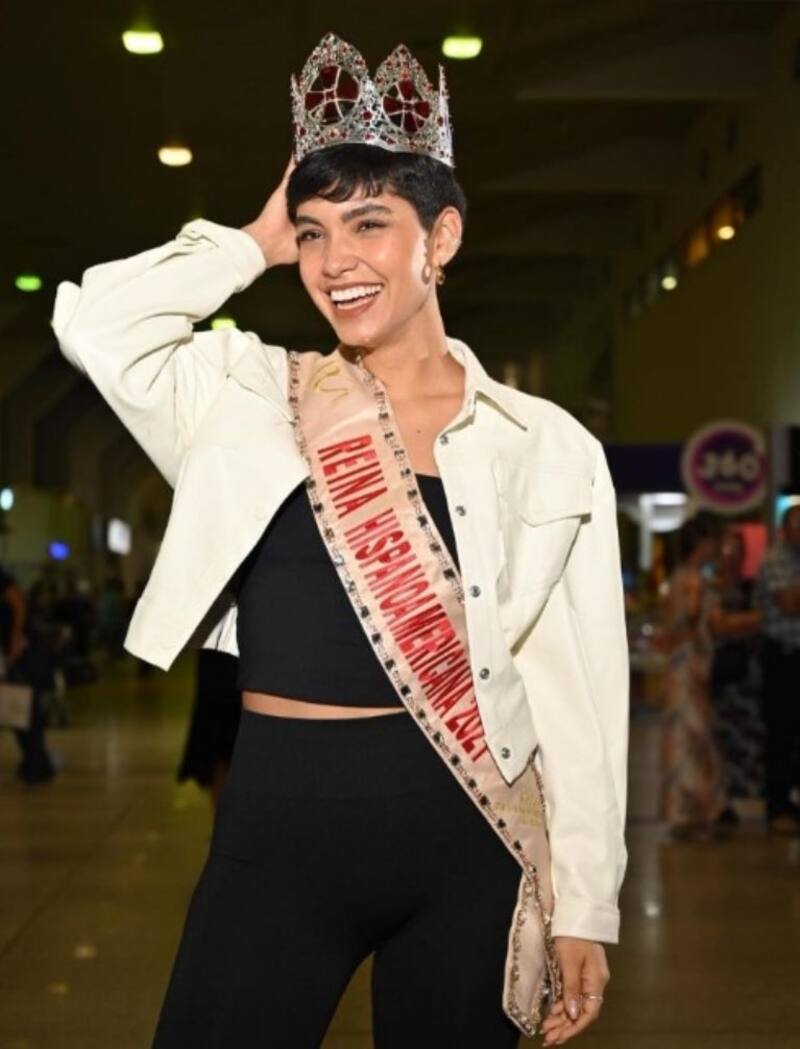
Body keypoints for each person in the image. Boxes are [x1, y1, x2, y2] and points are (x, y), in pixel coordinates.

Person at [51, 32, 629, 1047]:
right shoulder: (247, 395)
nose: (335, 261)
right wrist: (253, 239)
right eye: (314, 233)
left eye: (369, 224)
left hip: (469, 836)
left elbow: (580, 687)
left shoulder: (544, 444)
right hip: (278, 823)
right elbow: (95, 325)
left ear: (440, 238)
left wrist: (587, 900)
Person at [660, 515, 728, 841]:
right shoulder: (693, 579)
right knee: (693, 737)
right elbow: (690, 615)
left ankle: (688, 811)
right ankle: (693, 813)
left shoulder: (680, 576)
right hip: (688, 664)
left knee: (688, 736)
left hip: (683, 662)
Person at [706, 527, 764, 825]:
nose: (731, 557)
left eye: (737, 551)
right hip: (716, 674)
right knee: (717, 740)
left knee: (748, 739)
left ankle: (743, 796)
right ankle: (720, 802)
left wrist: (739, 623)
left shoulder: (750, 586)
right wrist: (750, 621)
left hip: (747, 676)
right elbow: (718, 626)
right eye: (727, 551)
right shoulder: (710, 587)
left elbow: (761, 619)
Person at [753, 503, 800, 834]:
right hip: (782, 657)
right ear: (785, 530)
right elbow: (788, 603)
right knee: (781, 731)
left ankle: (792, 802)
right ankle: (778, 807)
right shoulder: (775, 560)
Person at [0, 564, 56, 783]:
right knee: (19, 710)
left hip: (23, 653)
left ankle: (37, 763)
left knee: (24, 709)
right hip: (14, 654)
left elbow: (19, 603)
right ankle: (34, 761)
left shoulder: (4, 581)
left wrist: (16, 639)